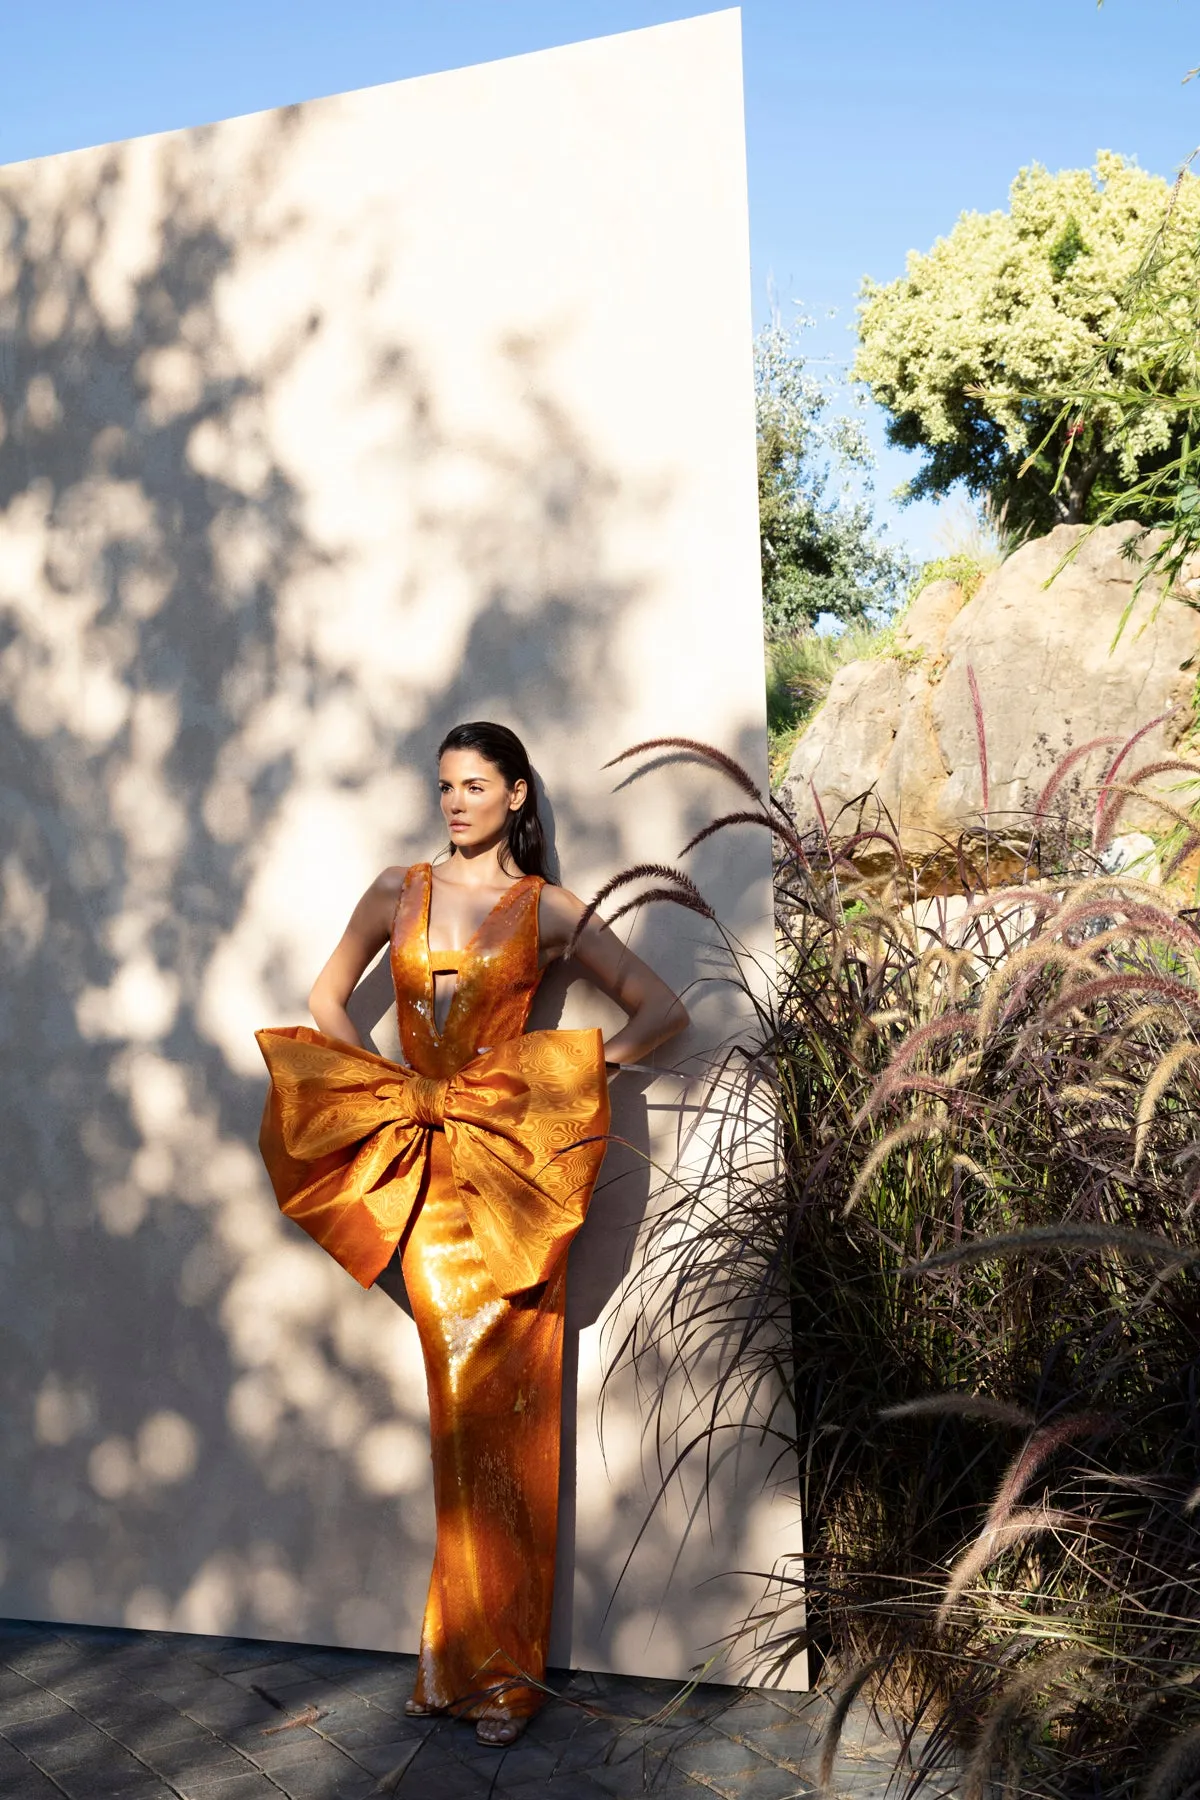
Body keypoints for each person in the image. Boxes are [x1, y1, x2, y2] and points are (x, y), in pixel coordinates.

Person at [255, 720, 688, 1746]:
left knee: (515, 1422)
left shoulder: (545, 911)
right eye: (445, 785)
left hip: (511, 1182)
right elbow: (325, 997)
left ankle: (501, 1678)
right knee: (459, 1418)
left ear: (519, 796)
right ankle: (459, 1664)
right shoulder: (392, 892)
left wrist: (564, 1083)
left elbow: (660, 1009)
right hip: (425, 1178)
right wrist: (387, 1080)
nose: (455, 801)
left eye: (475, 785)